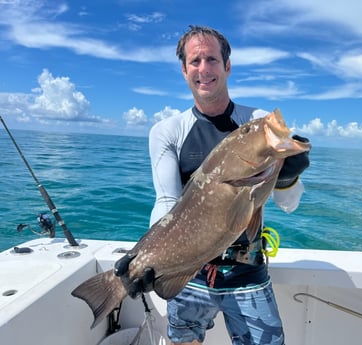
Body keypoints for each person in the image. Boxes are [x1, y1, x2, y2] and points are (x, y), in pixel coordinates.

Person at [115, 25, 310, 345]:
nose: (204, 69)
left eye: (212, 59)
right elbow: (167, 202)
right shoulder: (168, 131)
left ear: (227, 65)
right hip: (189, 275)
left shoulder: (256, 122)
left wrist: (288, 177)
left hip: (247, 273)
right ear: (184, 70)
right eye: (195, 61)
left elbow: (288, 205)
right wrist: (145, 258)